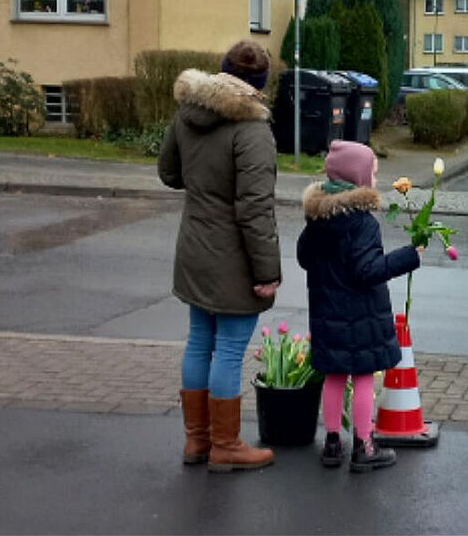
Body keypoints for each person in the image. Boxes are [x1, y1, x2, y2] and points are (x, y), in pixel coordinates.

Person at [158, 40, 281, 473]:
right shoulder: (252, 130)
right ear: (259, 85)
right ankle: (226, 445)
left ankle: (198, 441)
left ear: (222, 70)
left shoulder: (188, 114)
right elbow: (254, 208)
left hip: (193, 246)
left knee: (199, 341)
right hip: (233, 257)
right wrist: (267, 272)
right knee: (228, 350)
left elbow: (169, 173)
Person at [297, 139, 421, 472]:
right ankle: (364, 445)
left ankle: (333, 443)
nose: (377, 180)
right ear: (358, 178)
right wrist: (408, 257)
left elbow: (304, 257)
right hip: (361, 316)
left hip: (327, 314)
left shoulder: (318, 219)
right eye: (374, 174)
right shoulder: (363, 223)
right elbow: (368, 271)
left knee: (335, 376)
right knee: (363, 376)